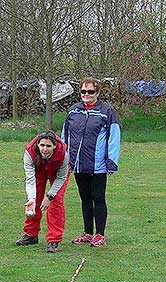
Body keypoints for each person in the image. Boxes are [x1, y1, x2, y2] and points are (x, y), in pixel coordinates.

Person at [61, 77, 121, 247]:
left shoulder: (107, 111)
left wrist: (111, 162)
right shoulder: (73, 111)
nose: (86, 95)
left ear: (98, 93)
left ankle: (100, 234)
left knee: (98, 198)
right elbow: (64, 136)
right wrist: (64, 158)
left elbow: (114, 137)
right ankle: (87, 232)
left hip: (98, 165)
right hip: (78, 164)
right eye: (83, 91)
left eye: (90, 92)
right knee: (85, 198)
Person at [16, 130, 70, 253]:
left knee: (56, 202)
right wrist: (31, 198)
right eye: (42, 145)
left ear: (54, 146)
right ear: (38, 145)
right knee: (33, 202)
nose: (45, 149)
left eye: (49, 146)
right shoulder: (30, 152)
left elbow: (61, 177)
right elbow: (30, 179)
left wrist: (49, 196)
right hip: (38, 171)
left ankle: (54, 240)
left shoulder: (63, 154)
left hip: (57, 174)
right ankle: (31, 235)